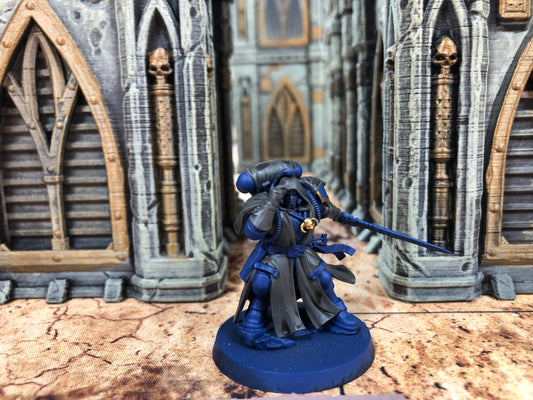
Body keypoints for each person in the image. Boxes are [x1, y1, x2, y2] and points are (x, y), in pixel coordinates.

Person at [233, 160, 362, 350]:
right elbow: (254, 230)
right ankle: (254, 318)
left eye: (296, 193)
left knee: (323, 277)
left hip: (302, 254)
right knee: (262, 283)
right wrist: (274, 199)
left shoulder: (307, 201)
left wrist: (351, 219)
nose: (293, 198)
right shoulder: (264, 204)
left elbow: (330, 211)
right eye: (288, 194)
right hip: (275, 256)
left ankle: (335, 312)